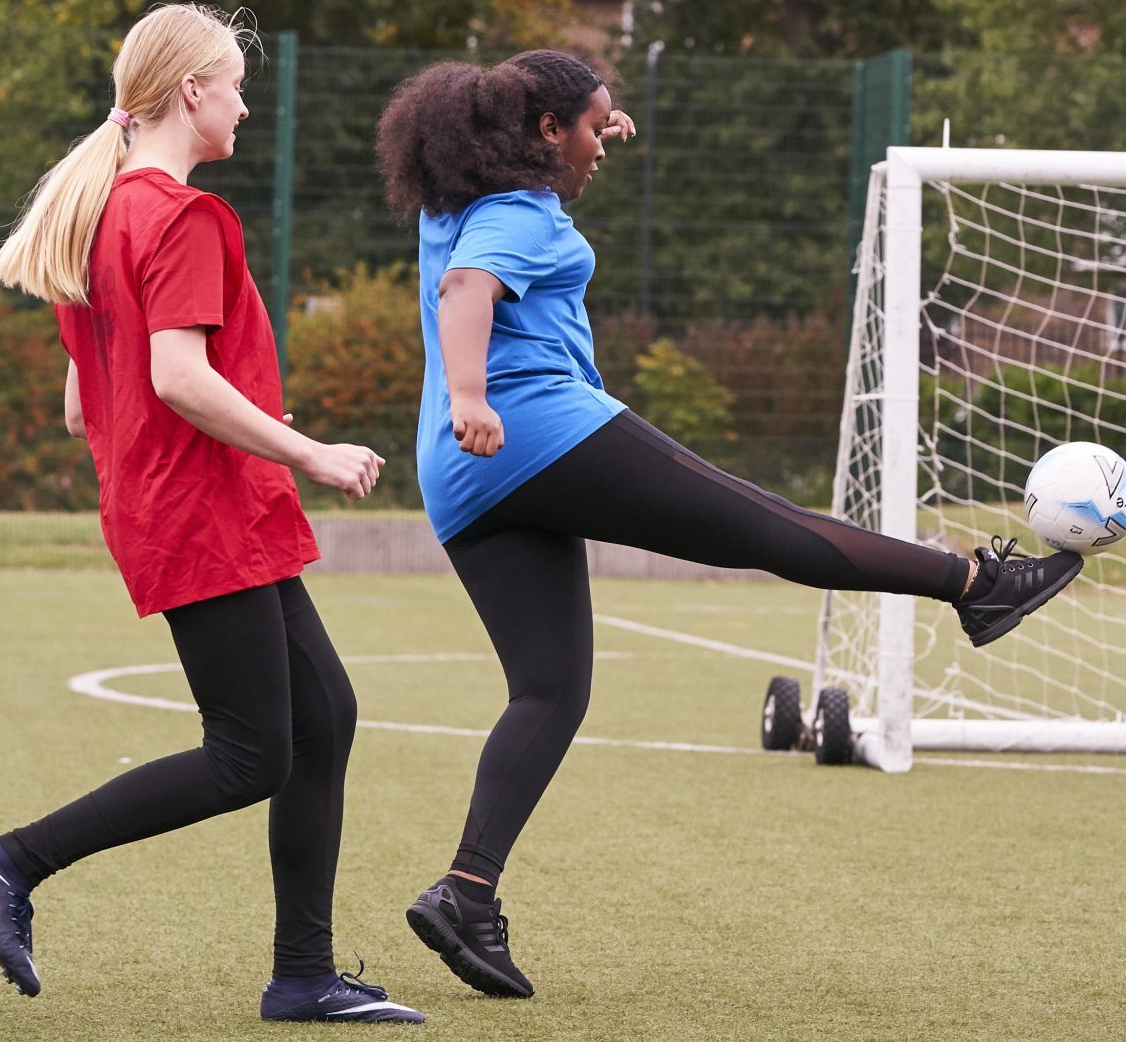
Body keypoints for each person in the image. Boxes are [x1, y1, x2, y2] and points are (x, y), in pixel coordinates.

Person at [376, 49, 1086, 1001]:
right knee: (772, 528)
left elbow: (480, 234)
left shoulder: (459, 196)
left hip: (462, 478)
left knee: (549, 690)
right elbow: (469, 294)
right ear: (543, 132)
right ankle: (977, 584)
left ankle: (467, 891)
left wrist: (587, 129)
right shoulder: (517, 214)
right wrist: (473, 390)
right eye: (592, 125)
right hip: (537, 428)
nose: (605, 139)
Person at [0, 3, 420, 1024]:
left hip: (190, 507)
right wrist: (308, 449)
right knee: (250, 752)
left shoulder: (103, 211)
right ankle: (9, 858)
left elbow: (88, 397)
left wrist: (220, 405)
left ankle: (304, 972)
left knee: (322, 717)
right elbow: (174, 376)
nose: (246, 105)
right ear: (191, 93)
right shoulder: (184, 214)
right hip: (205, 513)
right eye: (236, 86)